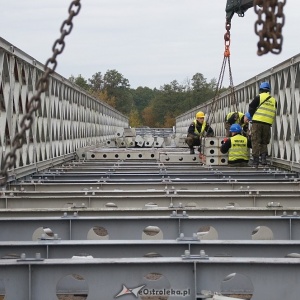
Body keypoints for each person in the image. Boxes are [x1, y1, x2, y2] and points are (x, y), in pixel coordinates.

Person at [248, 82, 277, 167]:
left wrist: (253, 116)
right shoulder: (274, 100)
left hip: (257, 122)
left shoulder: (259, 97)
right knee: (264, 142)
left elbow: (251, 107)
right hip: (267, 124)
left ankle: (256, 161)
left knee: (255, 141)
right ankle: (264, 159)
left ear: (260, 90)